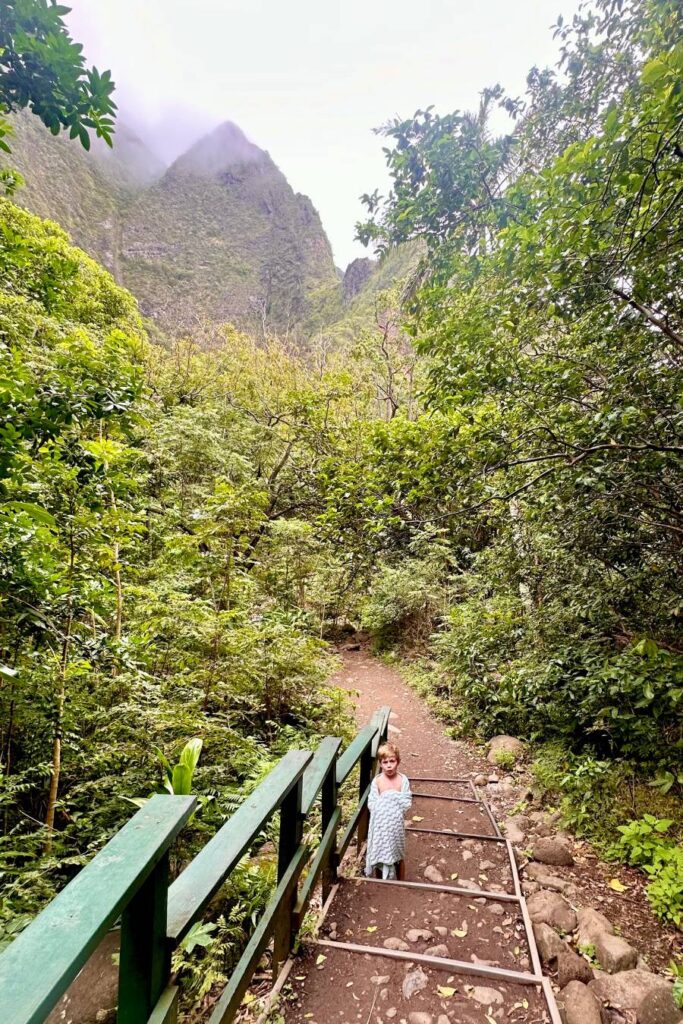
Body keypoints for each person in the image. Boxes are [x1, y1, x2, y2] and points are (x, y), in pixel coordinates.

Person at [365, 742, 412, 880]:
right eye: (385, 762)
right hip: (380, 825)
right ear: (380, 763)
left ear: (398, 762)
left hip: (396, 825)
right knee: (380, 853)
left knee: (399, 854)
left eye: (392, 761)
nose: (389, 765)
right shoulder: (377, 781)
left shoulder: (403, 780)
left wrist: (391, 803)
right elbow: (372, 803)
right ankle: (380, 881)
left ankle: (401, 882)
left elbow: (406, 801)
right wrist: (383, 808)